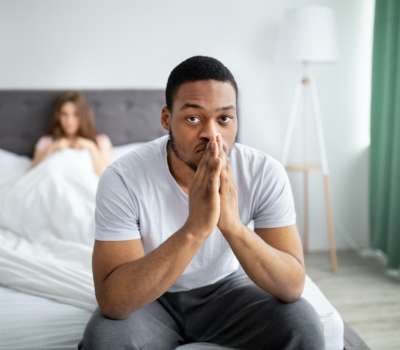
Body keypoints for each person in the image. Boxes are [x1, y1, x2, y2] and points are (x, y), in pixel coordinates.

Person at [79, 56, 325, 350]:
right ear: (166, 119)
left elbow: (292, 285)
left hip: (227, 293)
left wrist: (232, 226)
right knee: (106, 341)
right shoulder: (123, 177)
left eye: (224, 119)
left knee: (304, 325)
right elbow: (114, 302)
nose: (211, 133)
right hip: (151, 298)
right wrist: (195, 229)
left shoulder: (263, 172)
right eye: (193, 118)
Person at [31, 91, 112, 176]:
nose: (69, 121)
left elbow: (104, 175)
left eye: (76, 114)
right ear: (58, 116)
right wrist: (53, 147)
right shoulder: (46, 141)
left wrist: (91, 147)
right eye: (64, 114)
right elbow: (33, 173)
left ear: (83, 115)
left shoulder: (101, 141)